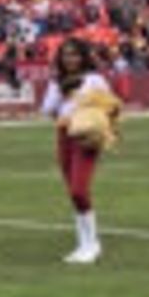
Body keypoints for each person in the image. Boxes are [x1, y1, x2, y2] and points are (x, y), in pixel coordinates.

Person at [40, 37, 119, 264]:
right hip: (64, 135)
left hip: (86, 135)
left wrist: (102, 125)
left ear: (83, 57)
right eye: (66, 55)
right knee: (73, 193)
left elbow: (112, 106)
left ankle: (92, 244)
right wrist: (62, 91)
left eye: (75, 54)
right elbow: (47, 110)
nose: (70, 59)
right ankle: (83, 244)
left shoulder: (94, 79)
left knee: (79, 190)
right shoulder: (57, 81)